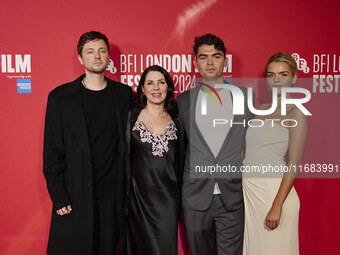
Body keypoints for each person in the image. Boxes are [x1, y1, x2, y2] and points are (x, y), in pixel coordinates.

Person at [43, 31, 134, 255]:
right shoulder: (61, 97)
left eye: (102, 51)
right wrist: (59, 196)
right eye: (90, 52)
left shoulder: (124, 95)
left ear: (108, 58)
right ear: (80, 59)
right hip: (75, 194)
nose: (97, 56)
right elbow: (52, 152)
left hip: (112, 197)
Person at [176, 34, 253, 254]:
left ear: (225, 61)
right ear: (195, 62)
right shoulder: (183, 101)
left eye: (216, 56)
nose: (210, 62)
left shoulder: (246, 99)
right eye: (204, 57)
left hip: (232, 196)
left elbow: (255, 143)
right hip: (195, 197)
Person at [242, 52, 307, 255]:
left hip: (273, 195)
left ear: (294, 77)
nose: (277, 80)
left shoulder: (295, 113)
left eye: (283, 74)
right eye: (271, 75)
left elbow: (294, 163)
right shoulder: (260, 109)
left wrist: (277, 205)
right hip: (251, 194)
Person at [125, 65, 184, 255]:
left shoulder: (178, 117)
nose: (156, 88)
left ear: (168, 87)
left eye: (161, 82)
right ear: (143, 88)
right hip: (138, 199)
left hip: (169, 198)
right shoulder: (130, 117)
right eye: (150, 83)